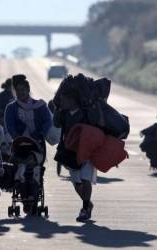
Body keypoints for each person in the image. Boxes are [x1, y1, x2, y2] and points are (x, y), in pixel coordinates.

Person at [54, 76, 96, 222]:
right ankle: (88, 203)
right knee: (77, 183)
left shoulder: (86, 113)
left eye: (64, 99)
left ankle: (84, 208)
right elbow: (57, 124)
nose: (62, 101)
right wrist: (57, 110)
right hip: (70, 152)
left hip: (87, 151)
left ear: (73, 100)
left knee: (85, 180)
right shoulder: (63, 114)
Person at [4, 74, 52, 146]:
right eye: (17, 90)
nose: (20, 92)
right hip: (19, 143)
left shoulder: (40, 105)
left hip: (38, 142)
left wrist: (40, 135)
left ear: (28, 90)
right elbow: (10, 126)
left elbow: (48, 121)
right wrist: (17, 137)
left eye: (23, 89)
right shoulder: (10, 108)